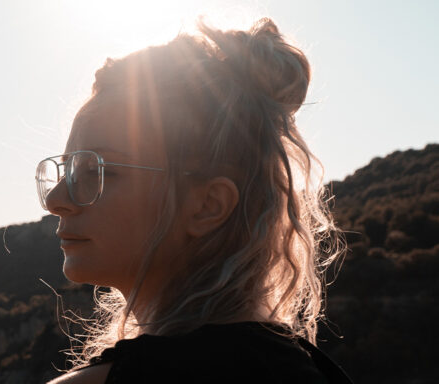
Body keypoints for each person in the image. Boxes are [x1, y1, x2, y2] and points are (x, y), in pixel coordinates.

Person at [35, 17, 352, 383]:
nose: (56, 200)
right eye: (68, 171)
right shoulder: (310, 371)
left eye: (95, 170)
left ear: (208, 205)